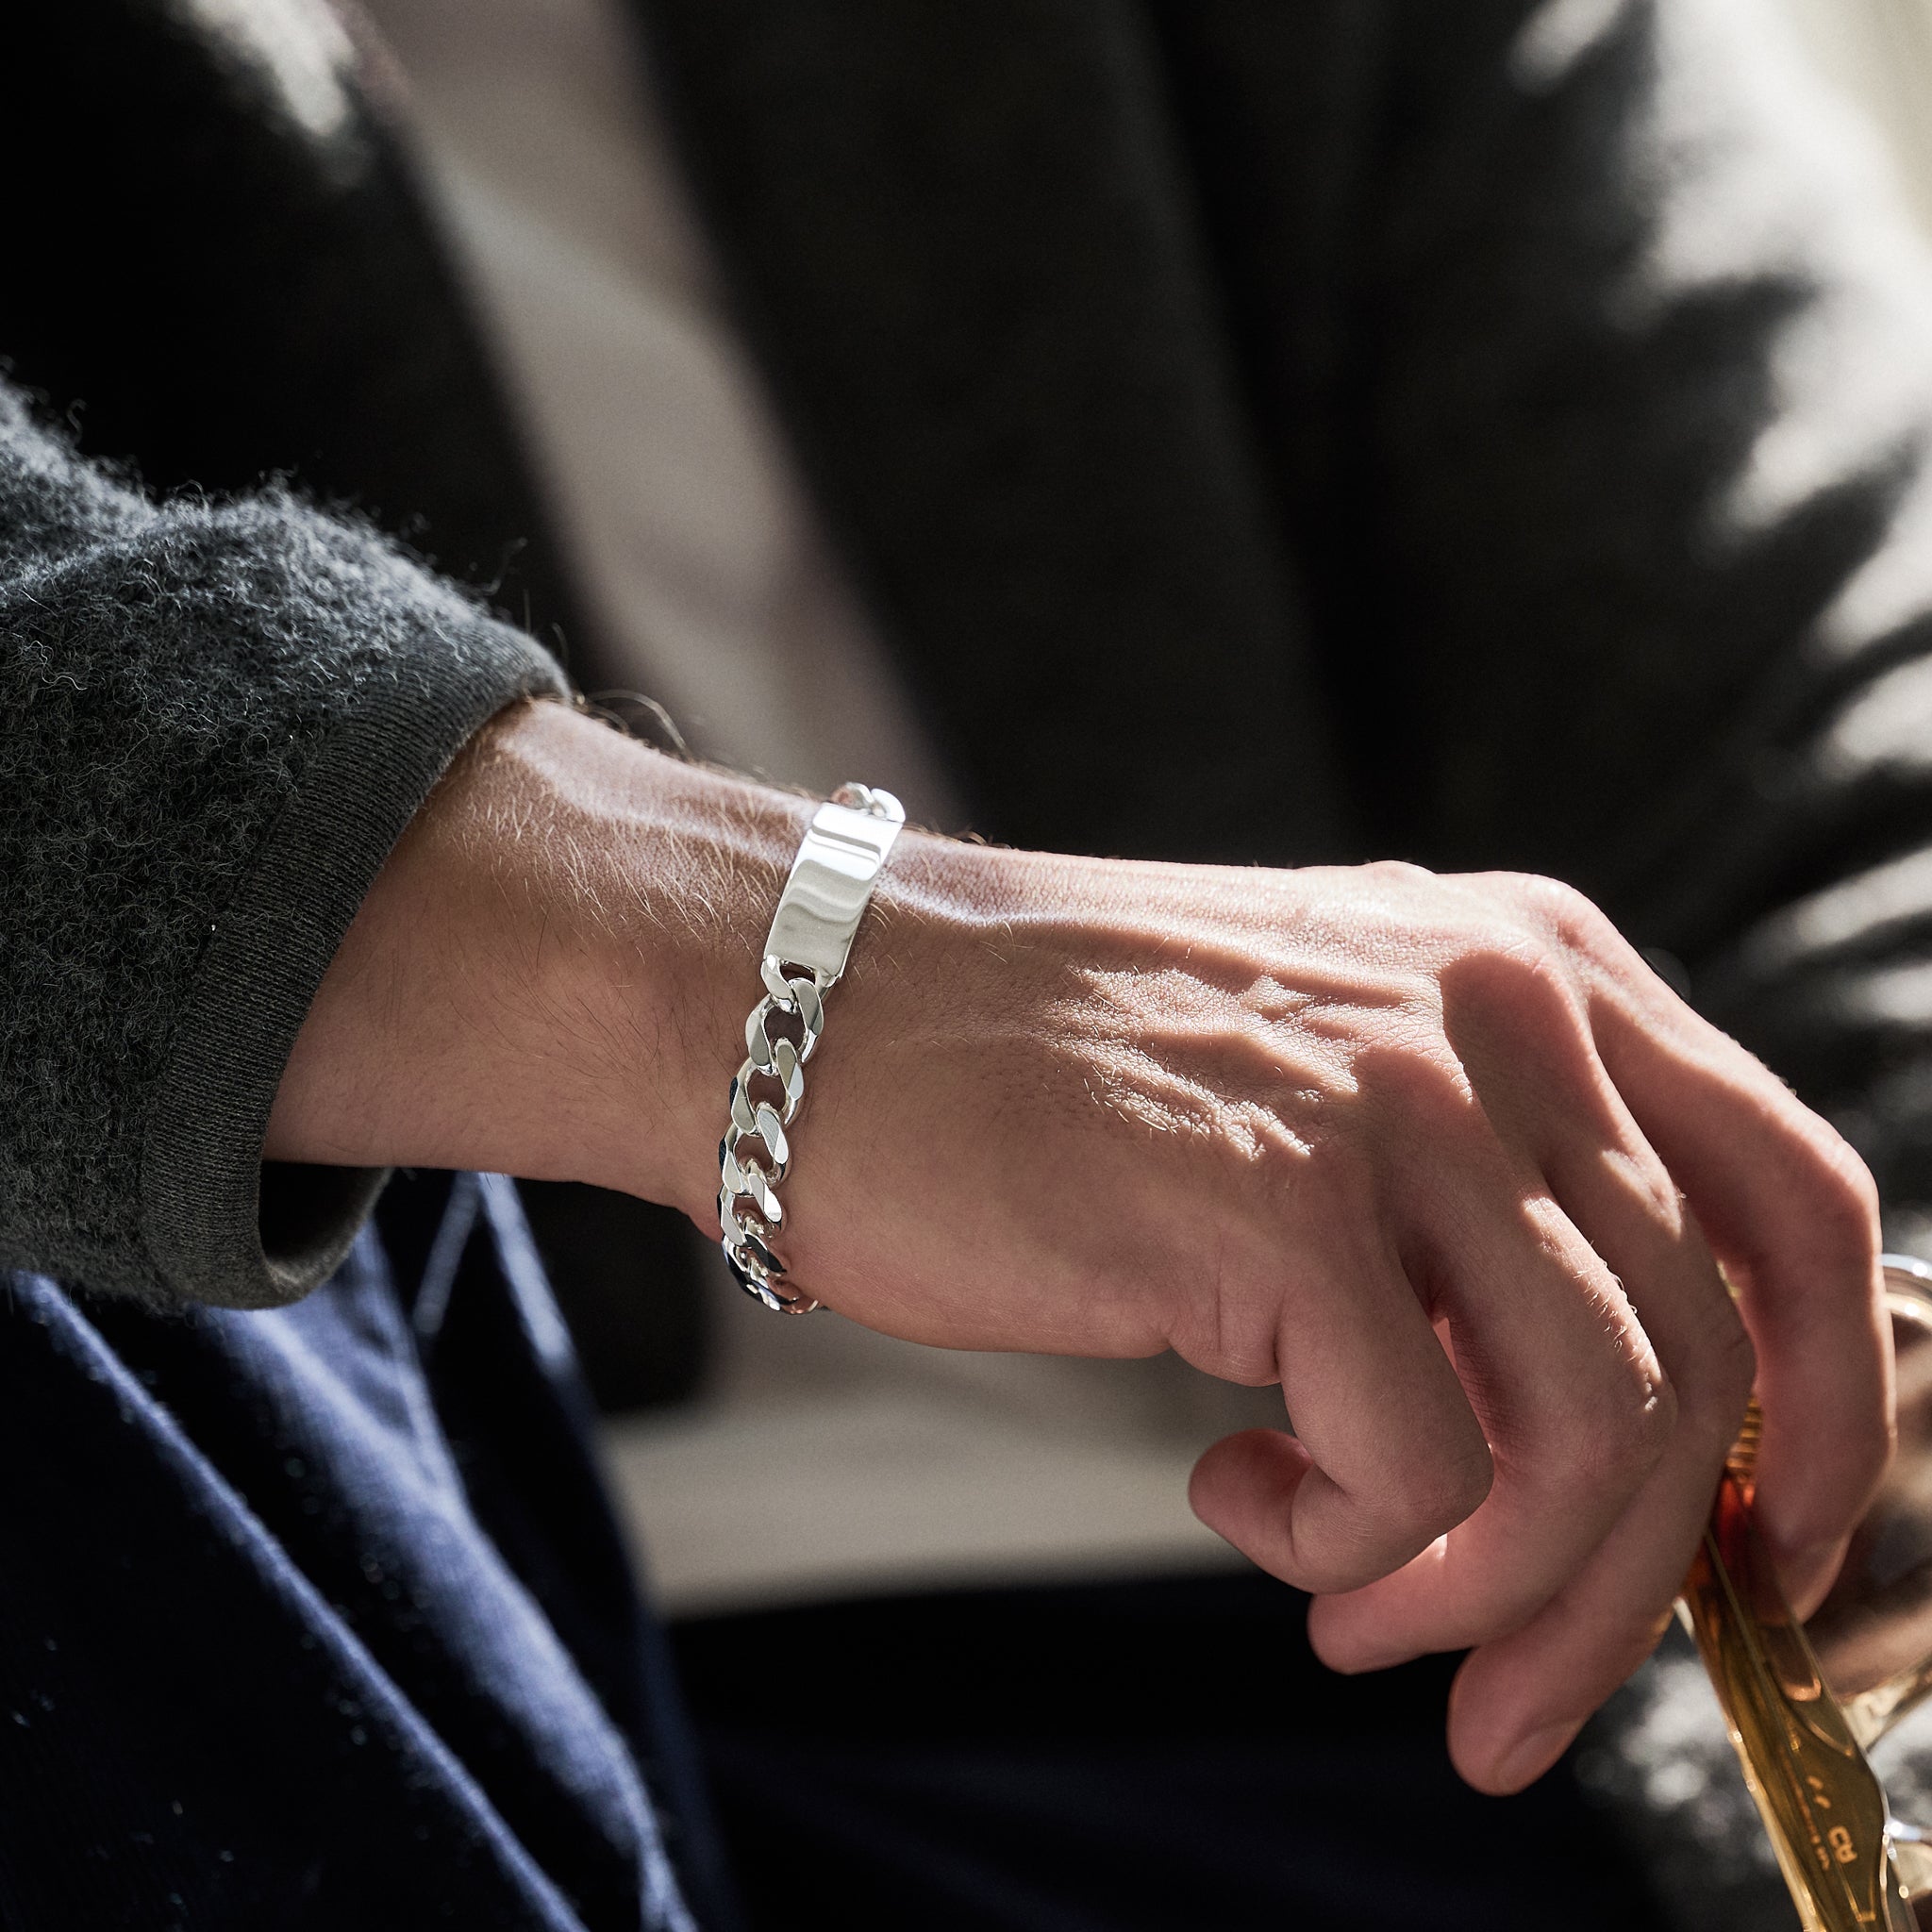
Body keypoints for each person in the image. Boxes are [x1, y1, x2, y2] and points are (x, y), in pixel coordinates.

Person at [2, 0, 1928, 1924]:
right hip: (342, 1679)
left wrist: (1863, 1685)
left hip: (1502, 1707)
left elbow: (1853, 779)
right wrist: (771, 978)